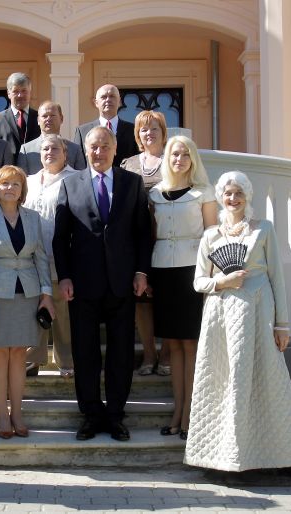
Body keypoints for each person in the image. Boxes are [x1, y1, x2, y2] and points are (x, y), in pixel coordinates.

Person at [185, 171, 291, 471]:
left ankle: (266, 456)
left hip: (257, 313)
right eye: (228, 193)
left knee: (263, 378)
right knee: (222, 379)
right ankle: (219, 456)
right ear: (220, 197)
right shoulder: (211, 235)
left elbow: (277, 278)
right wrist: (222, 282)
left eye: (238, 193)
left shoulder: (263, 229)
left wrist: (283, 324)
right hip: (220, 317)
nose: (233, 198)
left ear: (247, 196)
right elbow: (199, 281)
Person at [53, 126, 152, 442]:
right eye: (93, 147)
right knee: (85, 354)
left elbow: (143, 233)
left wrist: (141, 272)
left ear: (115, 148)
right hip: (83, 284)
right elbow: (60, 238)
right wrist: (64, 276)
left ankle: (116, 415)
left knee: (121, 354)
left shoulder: (132, 183)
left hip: (123, 283)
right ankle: (91, 415)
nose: (99, 152)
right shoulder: (70, 184)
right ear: (86, 149)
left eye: (105, 146)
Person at [0, 165, 54, 438]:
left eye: (16, 184)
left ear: (22, 190)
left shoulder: (33, 217)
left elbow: (40, 256)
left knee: (19, 354)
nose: (10, 188)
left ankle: (17, 413)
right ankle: (2, 415)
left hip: (26, 294)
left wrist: (46, 294)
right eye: (5, 183)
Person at [148, 135, 217, 440]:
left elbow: (212, 236)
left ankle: (190, 412)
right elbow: (151, 234)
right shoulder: (155, 194)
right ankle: (177, 410)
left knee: (190, 343)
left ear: (193, 159)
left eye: (185, 154)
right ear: (167, 158)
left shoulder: (204, 192)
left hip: (193, 271)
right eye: (175, 154)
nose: (179, 159)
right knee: (173, 345)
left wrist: (211, 276)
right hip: (163, 270)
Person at [121, 110, 171, 377]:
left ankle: (167, 353)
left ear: (163, 133)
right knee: (141, 299)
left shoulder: (174, 160)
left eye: (154, 128)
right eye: (143, 129)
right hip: (137, 240)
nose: (149, 133)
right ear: (137, 135)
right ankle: (149, 353)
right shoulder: (128, 164)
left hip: (167, 239)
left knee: (167, 297)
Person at [24, 135, 77, 378]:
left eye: (55, 148)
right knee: (33, 307)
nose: (49, 152)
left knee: (62, 309)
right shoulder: (29, 180)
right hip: (31, 257)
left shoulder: (75, 179)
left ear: (65, 153)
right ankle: (32, 359)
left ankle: (66, 361)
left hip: (62, 256)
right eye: (45, 148)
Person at [73, 84, 138, 167]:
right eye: (103, 97)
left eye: (112, 96)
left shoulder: (133, 130)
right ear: (96, 103)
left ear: (119, 102)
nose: (108, 100)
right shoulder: (82, 131)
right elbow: (78, 163)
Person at [16, 100, 86, 174]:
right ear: (38, 120)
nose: (48, 119)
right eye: (44, 116)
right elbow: (21, 178)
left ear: (61, 118)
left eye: (52, 115)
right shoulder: (26, 150)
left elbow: (82, 178)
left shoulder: (75, 149)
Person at [0, 72, 41, 161]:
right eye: (16, 91)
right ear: (8, 93)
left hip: (36, 169)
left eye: (24, 90)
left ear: (30, 92)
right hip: (7, 169)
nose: (20, 95)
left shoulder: (41, 118)